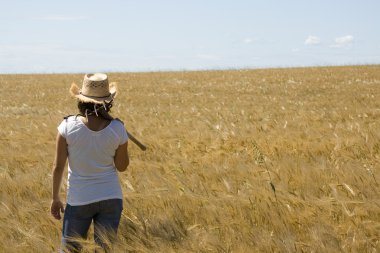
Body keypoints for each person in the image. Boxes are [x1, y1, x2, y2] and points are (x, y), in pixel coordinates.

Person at [50, 73, 129, 252]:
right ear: (107, 103)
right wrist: (121, 137)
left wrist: (55, 198)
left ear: (81, 101)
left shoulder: (67, 127)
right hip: (111, 197)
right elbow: (122, 166)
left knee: (71, 249)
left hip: (79, 199)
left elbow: (58, 167)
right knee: (104, 250)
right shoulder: (118, 128)